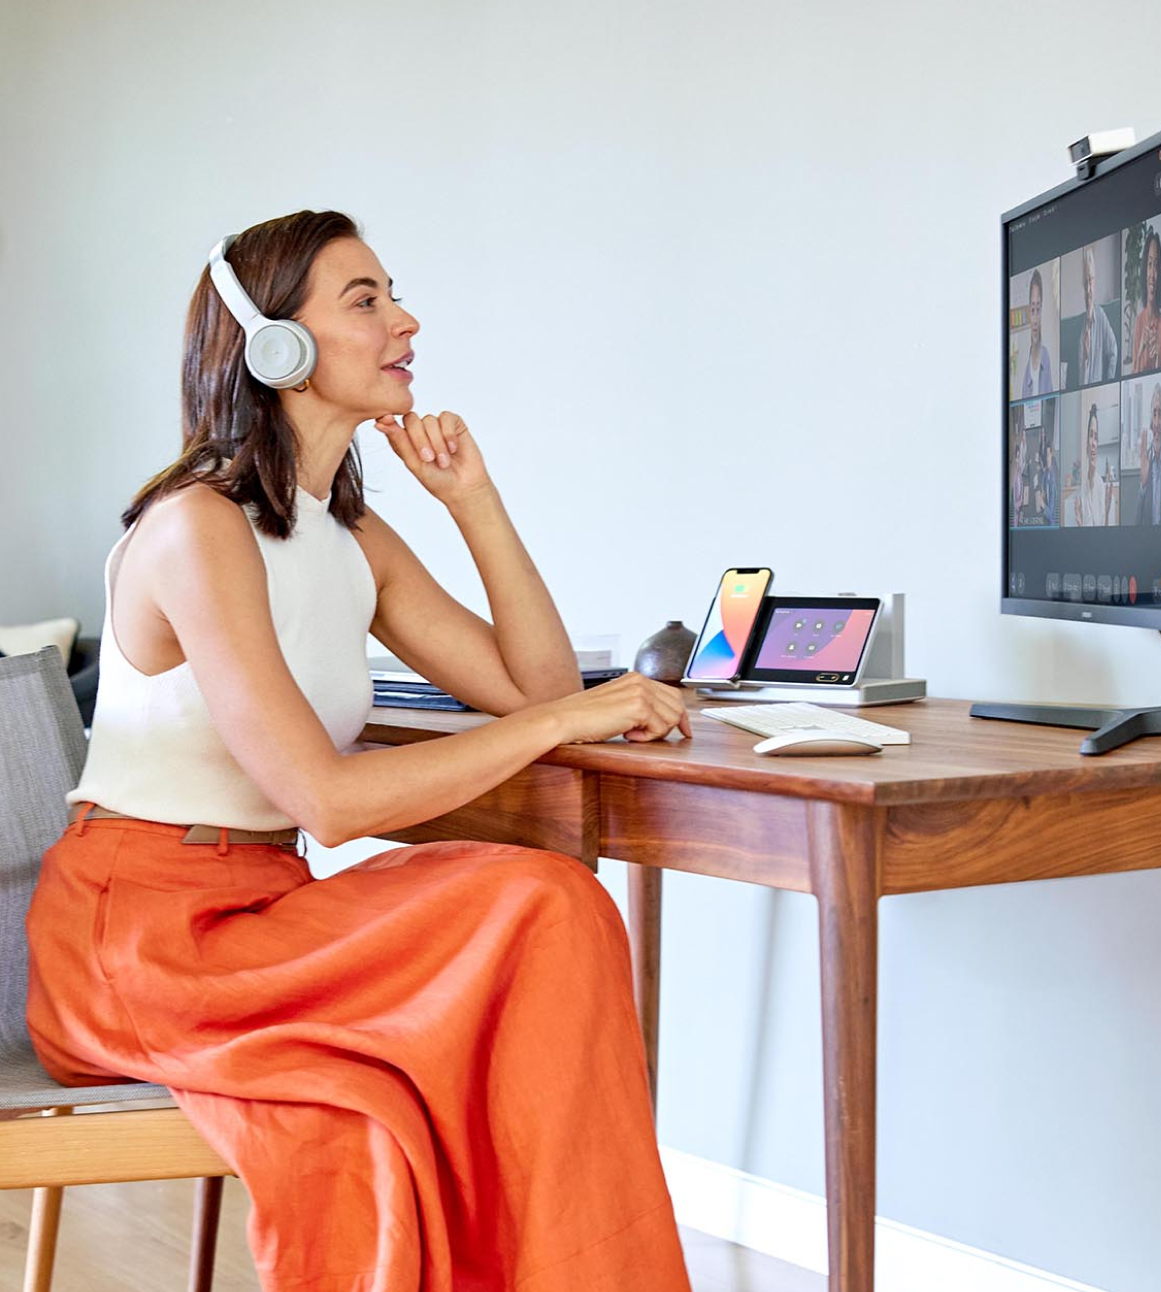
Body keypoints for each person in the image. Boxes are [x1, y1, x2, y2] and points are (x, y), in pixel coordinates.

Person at [25, 210, 695, 1292]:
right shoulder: (197, 525)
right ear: (275, 346)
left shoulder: (347, 537)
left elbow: (539, 689)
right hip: (141, 935)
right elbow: (330, 800)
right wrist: (565, 722)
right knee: (376, 1107)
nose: (407, 322)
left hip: (264, 909)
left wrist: (474, 501)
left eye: (394, 295)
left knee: (555, 904)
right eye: (367, 301)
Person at [1136, 382, 1161, 524]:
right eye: (1154, 414)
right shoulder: (1144, 459)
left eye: (1160, 413)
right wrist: (1143, 485)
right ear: (1151, 423)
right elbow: (1137, 519)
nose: (1157, 421)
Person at [1078, 244, 1118, 384]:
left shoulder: (1100, 315)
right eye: (1086, 282)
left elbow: (1113, 351)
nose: (1089, 289)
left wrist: (1109, 382)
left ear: (1095, 284)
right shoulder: (1081, 325)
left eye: (1091, 281)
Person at [1131, 229, 1161, 374]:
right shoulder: (1139, 321)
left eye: (1156, 266)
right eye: (1149, 264)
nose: (1152, 274)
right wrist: (1141, 348)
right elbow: (1133, 375)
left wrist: (1158, 357)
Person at [1074, 406, 1113, 526]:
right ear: (1086, 445)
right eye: (1091, 436)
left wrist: (1107, 513)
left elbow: (1106, 537)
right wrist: (1080, 525)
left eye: (1096, 437)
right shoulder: (1081, 491)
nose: (1093, 443)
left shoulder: (1102, 488)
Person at [1022, 267, 1054, 396]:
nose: (1035, 320)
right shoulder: (1027, 369)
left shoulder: (1046, 357)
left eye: (1038, 309)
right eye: (1032, 310)